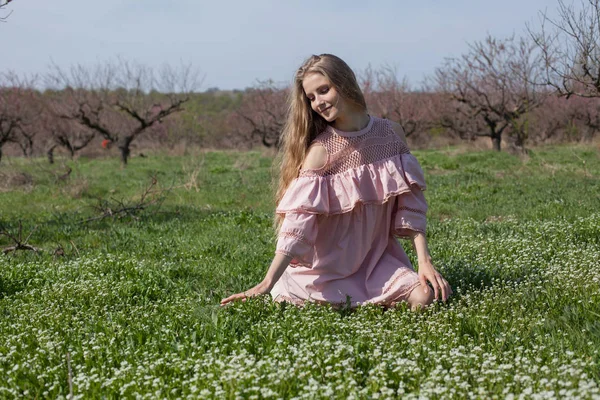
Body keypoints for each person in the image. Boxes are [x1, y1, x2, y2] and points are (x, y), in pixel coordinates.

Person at [221, 54, 452, 310]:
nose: (318, 102)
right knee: (319, 304)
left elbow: (411, 205)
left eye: (323, 90)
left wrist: (424, 260)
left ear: (344, 83)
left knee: (424, 297)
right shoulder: (321, 151)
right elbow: (298, 224)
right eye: (311, 98)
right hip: (327, 270)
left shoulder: (391, 135)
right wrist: (266, 283)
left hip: (377, 262)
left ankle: (373, 302)